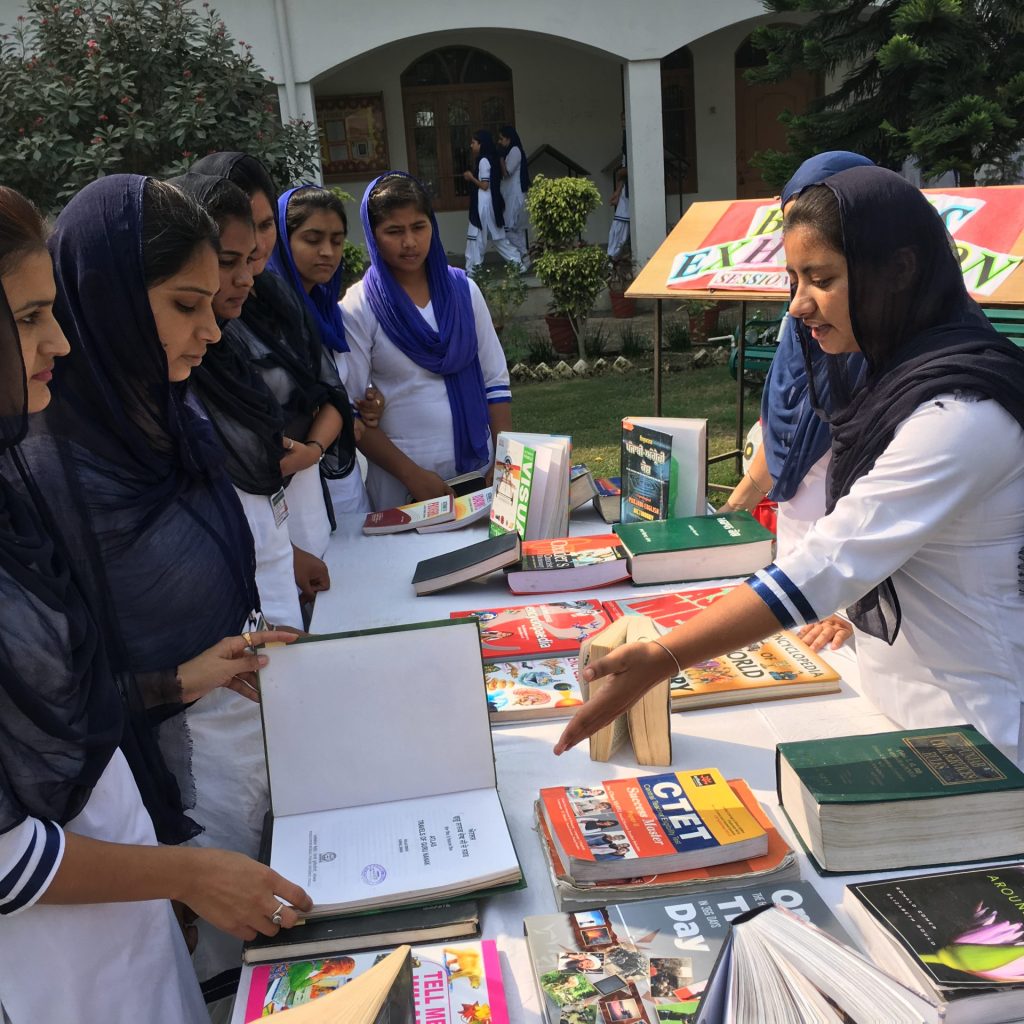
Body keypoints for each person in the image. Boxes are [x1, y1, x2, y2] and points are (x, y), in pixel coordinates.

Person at [556, 164, 1024, 765]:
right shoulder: (895, 383)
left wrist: (664, 657)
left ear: (899, 271)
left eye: (822, 278)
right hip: (898, 708)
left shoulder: (961, 414)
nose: (799, 304)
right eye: (794, 279)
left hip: (982, 736)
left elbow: (836, 557)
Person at [0, 184, 310, 1023]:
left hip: (131, 858)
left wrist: (181, 676)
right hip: (67, 925)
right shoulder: (45, 471)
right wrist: (182, 868)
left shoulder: (169, 421)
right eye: (30, 318)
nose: (57, 340)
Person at [720, 151, 874, 652]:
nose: (799, 301)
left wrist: (854, 611)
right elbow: (781, 431)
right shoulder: (802, 326)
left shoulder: (891, 359)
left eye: (821, 276)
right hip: (797, 556)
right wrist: (735, 506)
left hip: (861, 595)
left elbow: (891, 517)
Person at [189, 152, 359, 561]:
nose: (257, 243)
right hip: (251, 528)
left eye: (265, 226)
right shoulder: (202, 322)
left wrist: (314, 448)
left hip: (305, 501)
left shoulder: (280, 296)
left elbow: (331, 393)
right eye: (244, 226)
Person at [171, 172, 303, 629]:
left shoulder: (225, 352)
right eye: (228, 261)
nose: (246, 278)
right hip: (224, 641)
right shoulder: (166, 382)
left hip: (274, 587)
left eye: (250, 259)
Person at [341, 171, 512, 511]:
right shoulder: (358, 306)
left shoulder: (464, 292)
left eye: (418, 227)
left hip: (478, 471)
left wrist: (503, 462)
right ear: (373, 236)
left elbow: (495, 383)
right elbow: (352, 412)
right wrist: (412, 475)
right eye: (394, 231)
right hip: (400, 484)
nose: (409, 242)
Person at [267, 184, 377, 515]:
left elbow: (342, 390)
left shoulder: (331, 315)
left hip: (343, 479)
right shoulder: (267, 320)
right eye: (313, 240)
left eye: (337, 240)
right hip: (294, 485)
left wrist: (364, 406)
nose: (328, 251)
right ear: (282, 242)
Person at [463, 129, 523, 274]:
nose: (471, 146)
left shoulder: (484, 161)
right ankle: (517, 263)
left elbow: (484, 185)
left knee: (475, 236)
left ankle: (472, 270)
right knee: (497, 238)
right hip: (487, 203)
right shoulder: (489, 159)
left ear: (481, 144)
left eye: (473, 143)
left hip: (483, 204)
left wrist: (471, 177)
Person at [497, 124, 530, 265]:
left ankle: (524, 253)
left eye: (501, 139)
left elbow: (507, 171)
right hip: (511, 195)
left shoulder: (515, 151)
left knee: (508, 229)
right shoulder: (512, 151)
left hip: (514, 197)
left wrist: (500, 159)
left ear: (508, 139)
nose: (499, 142)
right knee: (517, 230)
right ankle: (526, 260)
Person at [606, 114, 630, 260]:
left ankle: (612, 257)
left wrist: (623, 172)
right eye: (621, 120)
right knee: (620, 224)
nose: (622, 123)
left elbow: (632, 167)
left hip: (632, 191)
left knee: (621, 224)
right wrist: (617, 190)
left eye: (625, 120)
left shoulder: (633, 137)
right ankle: (612, 256)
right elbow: (625, 166)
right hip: (626, 189)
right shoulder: (625, 138)